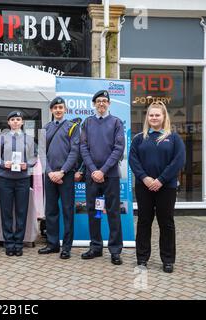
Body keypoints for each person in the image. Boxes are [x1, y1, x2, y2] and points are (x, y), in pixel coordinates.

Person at [129, 101, 185, 273]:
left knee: (166, 222)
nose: (154, 118)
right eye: (151, 115)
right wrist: (145, 178)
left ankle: (168, 260)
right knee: (144, 222)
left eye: (157, 115)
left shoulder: (174, 138)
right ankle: (142, 258)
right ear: (148, 117)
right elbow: (133, 160)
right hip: (143, 187)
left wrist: (160, 180)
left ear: (163, 117)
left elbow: (178, 161)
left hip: (166, 187)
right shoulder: (139, 138)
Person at [80, 90, 125, 265]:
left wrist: (103, 171)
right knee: (95, 212)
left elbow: (118, 149)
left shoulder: (116, 122)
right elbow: (83, 148)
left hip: (111, 176)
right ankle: (96, 247)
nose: (101, 103)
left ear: (109, 103)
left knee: (113, 212)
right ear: (94, 104)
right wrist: (93, 170)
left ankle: (115, 250)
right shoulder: (87, 123)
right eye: (98, 101)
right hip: (92, 176)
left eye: (104, 101)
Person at [38, 97, 79, 259]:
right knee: (51, 211)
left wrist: (62, 172)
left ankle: (66, 247)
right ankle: (52, 244)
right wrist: (49, 172)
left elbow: (74, 152)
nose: (58, 110)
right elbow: (41, 153)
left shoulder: (72, 127)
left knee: (68, 211)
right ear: (51, 110)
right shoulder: (45, 128)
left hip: (66, 175)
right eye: (55, 108)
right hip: (49, 175)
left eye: (61, 107)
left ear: (65, 109)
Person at [0, 111, 37, 256]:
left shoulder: (29, 139)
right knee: (6, 212)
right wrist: (3, 163)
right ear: (8, 122)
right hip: (5, 179)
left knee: (21, 212)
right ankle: (9, 243)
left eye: (18, 119)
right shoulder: (1, 138)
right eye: (12, 119)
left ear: (22, 122)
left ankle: (18, 243)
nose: (15, 122)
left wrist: (28, 164)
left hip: (22, 179)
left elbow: (34, 158)